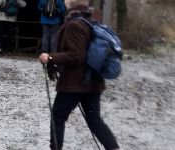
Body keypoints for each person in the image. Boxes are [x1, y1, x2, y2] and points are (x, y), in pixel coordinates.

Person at [38, 2, 120, 150]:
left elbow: (76, 56)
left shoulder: (74, 25)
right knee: (95, 121)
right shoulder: (90, 22)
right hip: (93, 82)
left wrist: (50, 57)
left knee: (58, 116)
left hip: (75, 83)